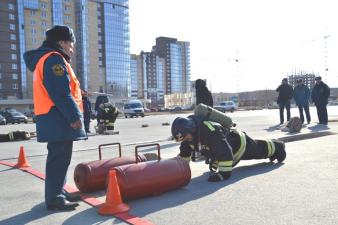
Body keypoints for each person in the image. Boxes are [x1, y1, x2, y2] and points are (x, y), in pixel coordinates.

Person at [24, 25, 86, 211]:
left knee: (61, 157)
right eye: (71, 43)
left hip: (52, 115)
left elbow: (59, 89)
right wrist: (74, 116)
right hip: (58, 116)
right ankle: (54, 198)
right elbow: (59, 92)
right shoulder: (54, 59)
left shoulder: (47, 59)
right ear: (61, 42)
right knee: (58, 158)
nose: (72, 48)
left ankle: (58, 191)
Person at [171, 116, 286, 182]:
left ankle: (278, 146)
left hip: (239, 144)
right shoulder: (189, 137)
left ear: (190, 130)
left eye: (186, 137)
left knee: (260, 150)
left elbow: (224, 151)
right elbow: (185, 154)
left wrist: (223, 174)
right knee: (260, 148)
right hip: (226, 147)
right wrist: (179, 171)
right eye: (183, 139)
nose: (185, 140)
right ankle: (275, 147)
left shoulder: (210, 131)